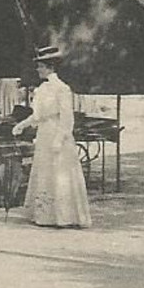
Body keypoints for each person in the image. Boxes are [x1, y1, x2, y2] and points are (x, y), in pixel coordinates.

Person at [12, 45, 92, 228]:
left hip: (58, 135)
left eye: (40, 66)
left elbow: (67, 118)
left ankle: (63, 216)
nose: (38, 69)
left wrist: (59, 139)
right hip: (44, 134)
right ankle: (45, 215)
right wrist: (22, 124)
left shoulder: (62, 89)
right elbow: (38, 115)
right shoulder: (43, 89)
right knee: (45, 173)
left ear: (50, 67)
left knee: (60, 174)